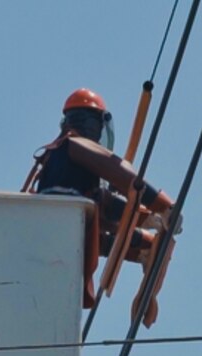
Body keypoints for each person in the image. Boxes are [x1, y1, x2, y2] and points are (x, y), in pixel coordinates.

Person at [25, 88, 175, 311]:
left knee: (135, 234)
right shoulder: (74, 145)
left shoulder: (56, 158)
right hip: (63, 232)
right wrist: (162, 205)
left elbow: (97, 209)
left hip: (67, 237)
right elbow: (118, 171)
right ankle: (148, 240)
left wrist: (146, 226)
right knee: (101, 206)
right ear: (95, 123)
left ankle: (145, 253)